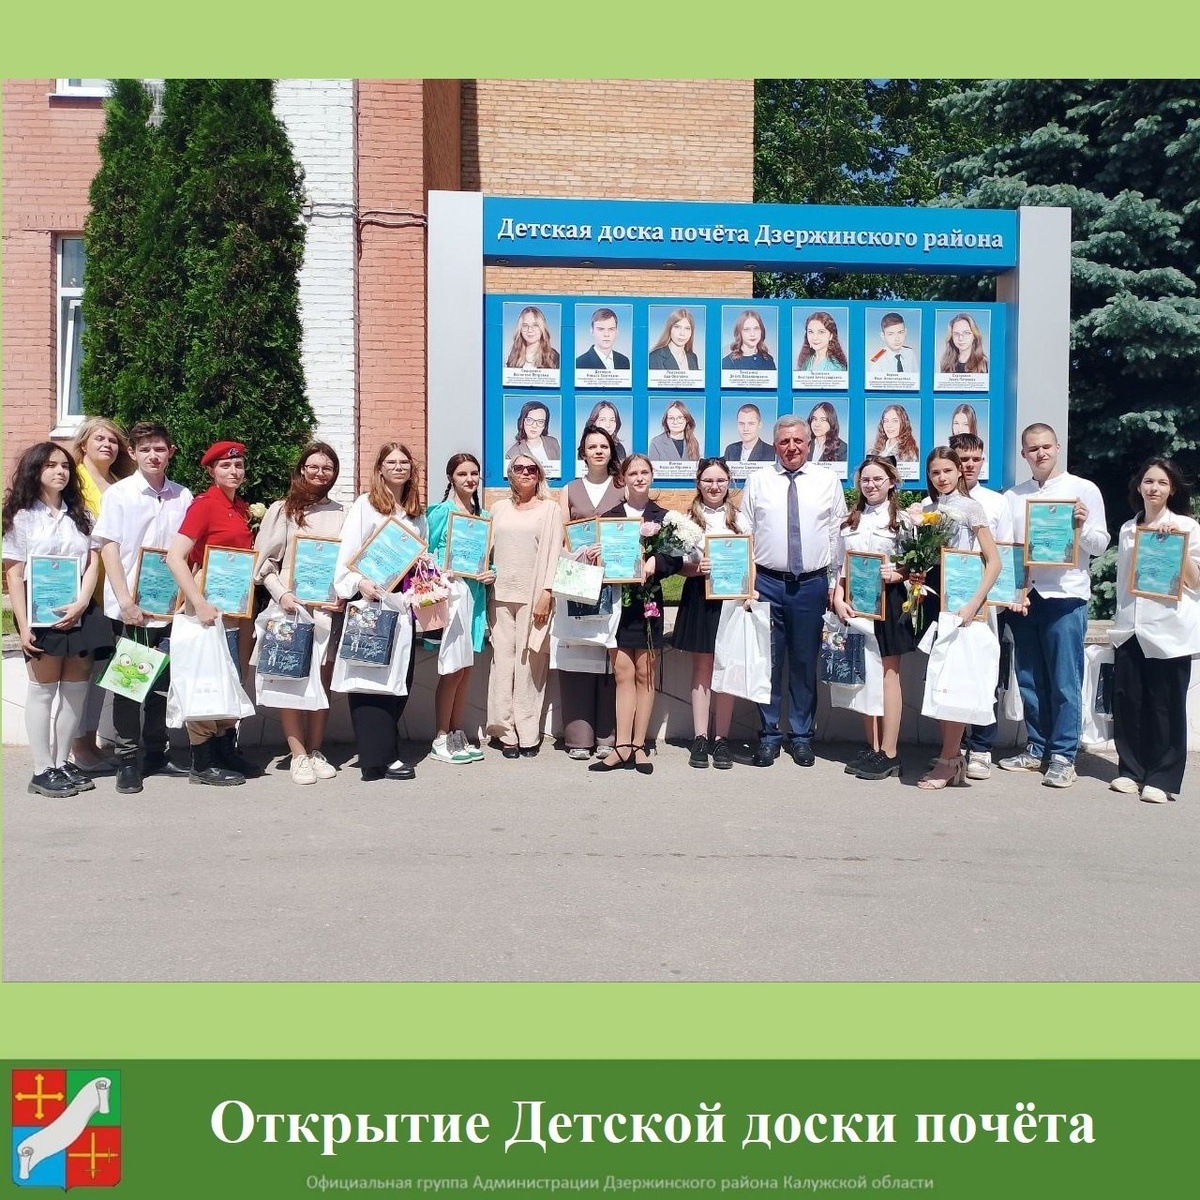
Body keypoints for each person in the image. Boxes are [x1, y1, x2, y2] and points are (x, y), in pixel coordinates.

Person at [1001, 423, 1109, 788]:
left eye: (1046, 446)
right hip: (1026, 598)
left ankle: (1063, 755)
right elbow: (1010, 550)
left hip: (1065, 596)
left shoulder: (1083, 490)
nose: (1041, 453)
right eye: (1033, 449)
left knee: (1064, 680)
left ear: (1058, 447)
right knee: (1029, 678)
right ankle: (1037, 747)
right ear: (1024, 454)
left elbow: (1100, 545)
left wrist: (1082, 525)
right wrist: (1015, 591)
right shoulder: (1013, 496)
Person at [91, 420, 194, 794]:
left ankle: (156, 753)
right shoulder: (119, 494)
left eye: (160, 448)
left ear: (171, 453)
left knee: (161, 684)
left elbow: (188, 551)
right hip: (131, 607)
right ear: (133, 453)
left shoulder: (182, 496)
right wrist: (125, 601)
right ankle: (127, 760)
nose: (153, 455)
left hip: (168, 607)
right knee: (129, 683)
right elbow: (109, 547)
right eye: (145, 449)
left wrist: (185, 600)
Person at [3, 442, 110, 796]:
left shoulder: (82, 515)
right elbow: (14, 576)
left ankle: (63, 762)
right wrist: (24, 626)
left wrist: (81, 602)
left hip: (80, 611)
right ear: (35, 470)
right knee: (43, 691)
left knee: (76, 692)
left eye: (64, 466)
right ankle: (41, 769)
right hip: (39, 614)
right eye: (50, 465)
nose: (60, 471)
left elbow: (93, 562)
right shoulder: (21, 517)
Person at [741, 415, 847, 767]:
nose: (791, 447)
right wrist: (748, 583)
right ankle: (769, 736)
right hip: (767, 584)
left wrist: (834, 584)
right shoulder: (758, 481)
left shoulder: (827, 481)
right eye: (784, 442)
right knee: (767, 662)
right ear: (775, 445)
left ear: (808, 443)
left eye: (798, 441)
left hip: (811, 585)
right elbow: (745, 533)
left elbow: (836, 536)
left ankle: (802, 736)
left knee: (804, 662)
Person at [252, 442, 347, 785]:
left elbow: (349, 563)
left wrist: (342, 595)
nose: (320, 473)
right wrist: (283, 594)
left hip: (327, 612)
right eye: (314, 466)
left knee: (322, 680)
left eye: (327, 468)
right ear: (302, 469)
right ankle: (298, 754)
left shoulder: (343, 512)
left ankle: (317, 749)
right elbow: (264, 565)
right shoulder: (283, 510)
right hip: (290, 609)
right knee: (289, 680)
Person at [165, 440, 259, 785]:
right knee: (206, 676)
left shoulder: (241, 507)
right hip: (208, 603)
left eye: (238, 465)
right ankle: (202, 762)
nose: (234, 471)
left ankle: (225, 751)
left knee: (230, 676)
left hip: (236, 607)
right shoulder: (204, 506)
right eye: (225, 466)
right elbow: (175, 557)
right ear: (211, 471)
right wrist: (199, 602)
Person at [333, 442, 427, 782]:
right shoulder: (365, 506)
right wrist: (360, 583)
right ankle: (377, 758)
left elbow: (421, 558)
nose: (399, 467)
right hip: (371, 602)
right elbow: (346, 554)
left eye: (404, 462)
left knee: (400, 680)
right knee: (369, 680)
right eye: (392, 462)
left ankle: (387, 750)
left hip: (402, 606)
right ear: (380, 469)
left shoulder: (416, 513)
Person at [1108, 457, 1200, 803]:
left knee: (1166, 707)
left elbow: (1196, 581)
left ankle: (1162, 778)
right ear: (1139, 486)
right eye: (1148, 481)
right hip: (1131, 628)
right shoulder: (1129, 529)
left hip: (1168, 631)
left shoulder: (1187, 527)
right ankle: (1130, 771)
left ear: (1172, 489)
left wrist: (1178, 547)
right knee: (1128, 702)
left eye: (1162, 483)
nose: (1154, 488)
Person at [590, 455, 683, 775]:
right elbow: (598, 562)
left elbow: (675, 558)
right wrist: (597, 555)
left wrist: (657, 562)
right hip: (618, 606)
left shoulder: (664, 517)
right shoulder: (610, 518)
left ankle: (639, 745)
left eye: (644, 472)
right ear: (623, 478)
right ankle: (621, 747)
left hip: (648, 604)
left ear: (652, 476)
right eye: (633, 473)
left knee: (645, 674)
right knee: (623, 675)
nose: (639, 477)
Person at [916, 447, 1002, 789]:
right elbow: (927, 559)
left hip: (961, 603)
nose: (942, 478)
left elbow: (994, 561)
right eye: (935, 472)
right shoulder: (926, 509)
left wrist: (973, 603)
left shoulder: (971, 507)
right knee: (940, 680)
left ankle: (950, 760)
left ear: (959, 472)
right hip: (935, 600)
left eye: (947, 471)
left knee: (955, 683)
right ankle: (950, 755)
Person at [831, 455, 916, 780]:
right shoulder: (849, 522)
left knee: (888, 675)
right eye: (865, 480)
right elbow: (840, 566)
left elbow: (915, 565)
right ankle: (873, 745)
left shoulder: (904, 522)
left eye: (878, 479)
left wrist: (900, 574)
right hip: (856, 602)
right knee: (864, 674)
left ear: (891, 482)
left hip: (889, 602)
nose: (871, 485)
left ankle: (890, 752)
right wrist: (838, 598)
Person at [673, 457, 749, 770]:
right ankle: (700, 737)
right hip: (700, 598)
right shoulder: (685, 520)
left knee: (726, 668)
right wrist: (695, 568)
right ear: (698, 483)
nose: (714, 486)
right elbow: (676, 565)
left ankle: (721, 739)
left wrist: (749, 592)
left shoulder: (740, 520)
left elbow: (751, 561)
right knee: (702, 667)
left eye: (720, 480)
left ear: (729, 482)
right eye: (708, 480)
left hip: (732, 600)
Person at [69, 416, 136, 774]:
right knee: (82, 672)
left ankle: (90, 743)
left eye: (112, 440)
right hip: (82, 589)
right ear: (83, 444)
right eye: (99, 439)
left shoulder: (121, 484)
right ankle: (78, 746)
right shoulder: (73, 481)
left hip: (116, 589)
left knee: (102, 671)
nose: (107, 445)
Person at [949, 432, 1015, 780]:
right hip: (950, 602)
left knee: (984, 672)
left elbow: (1004, 551)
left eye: (976, 459)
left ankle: (982, 747)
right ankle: (953, 747)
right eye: (963, 460)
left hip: (985, 602)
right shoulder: (937, 502)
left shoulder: (996, 502)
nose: (970, 465)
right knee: (953, 673)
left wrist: (1010, 596)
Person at [487, 454, 563, 757]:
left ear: (539, 474)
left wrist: (547, 592)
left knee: (530, 665)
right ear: (510, 474)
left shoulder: (550, 509)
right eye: (519, 468)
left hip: (534, 599)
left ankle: (528, 734)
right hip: (500, 597)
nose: (526, 473)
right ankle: (504, 732)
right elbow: (486, 551)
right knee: (502, 665)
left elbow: (555, 553)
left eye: (532, 469)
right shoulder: (498, 509)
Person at [425, 452, 495, 766]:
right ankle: (440, 736)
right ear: (450, 477)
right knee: (452, 669)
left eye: (474, 473)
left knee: (466, 669)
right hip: (451, 596)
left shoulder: (483, 516)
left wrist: (491, 572)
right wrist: (441, 569)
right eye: (462, 474)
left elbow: (487, 558)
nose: (469, 479)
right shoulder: (441, 512)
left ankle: (456, 732)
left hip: (474, 598)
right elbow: (425, 553)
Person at [558, 425, 623, 761]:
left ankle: (606, 736)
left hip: (613, 582)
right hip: (579, 581)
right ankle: (578, 737)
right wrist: (576, 556)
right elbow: (561, 536)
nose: (598, 451)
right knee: (578, 655)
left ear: (611, 451)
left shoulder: (622, 488)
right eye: (592, 446)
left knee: (609, 658)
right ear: (583, 452)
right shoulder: (569, 489)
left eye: (604, 446)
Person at [505, 401, 561, 474]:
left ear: (545, 425)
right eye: (529, 420)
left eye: (540, 421)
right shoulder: (511, 454)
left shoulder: (553, 442)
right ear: (522, 422)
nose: (534, 426)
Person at [505, 306, 560, 370]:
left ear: (542, 328)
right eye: (525, 325)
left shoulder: (553, 357)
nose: (530, 330)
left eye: (535, 325)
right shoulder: (514, 356)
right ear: (520, 329)